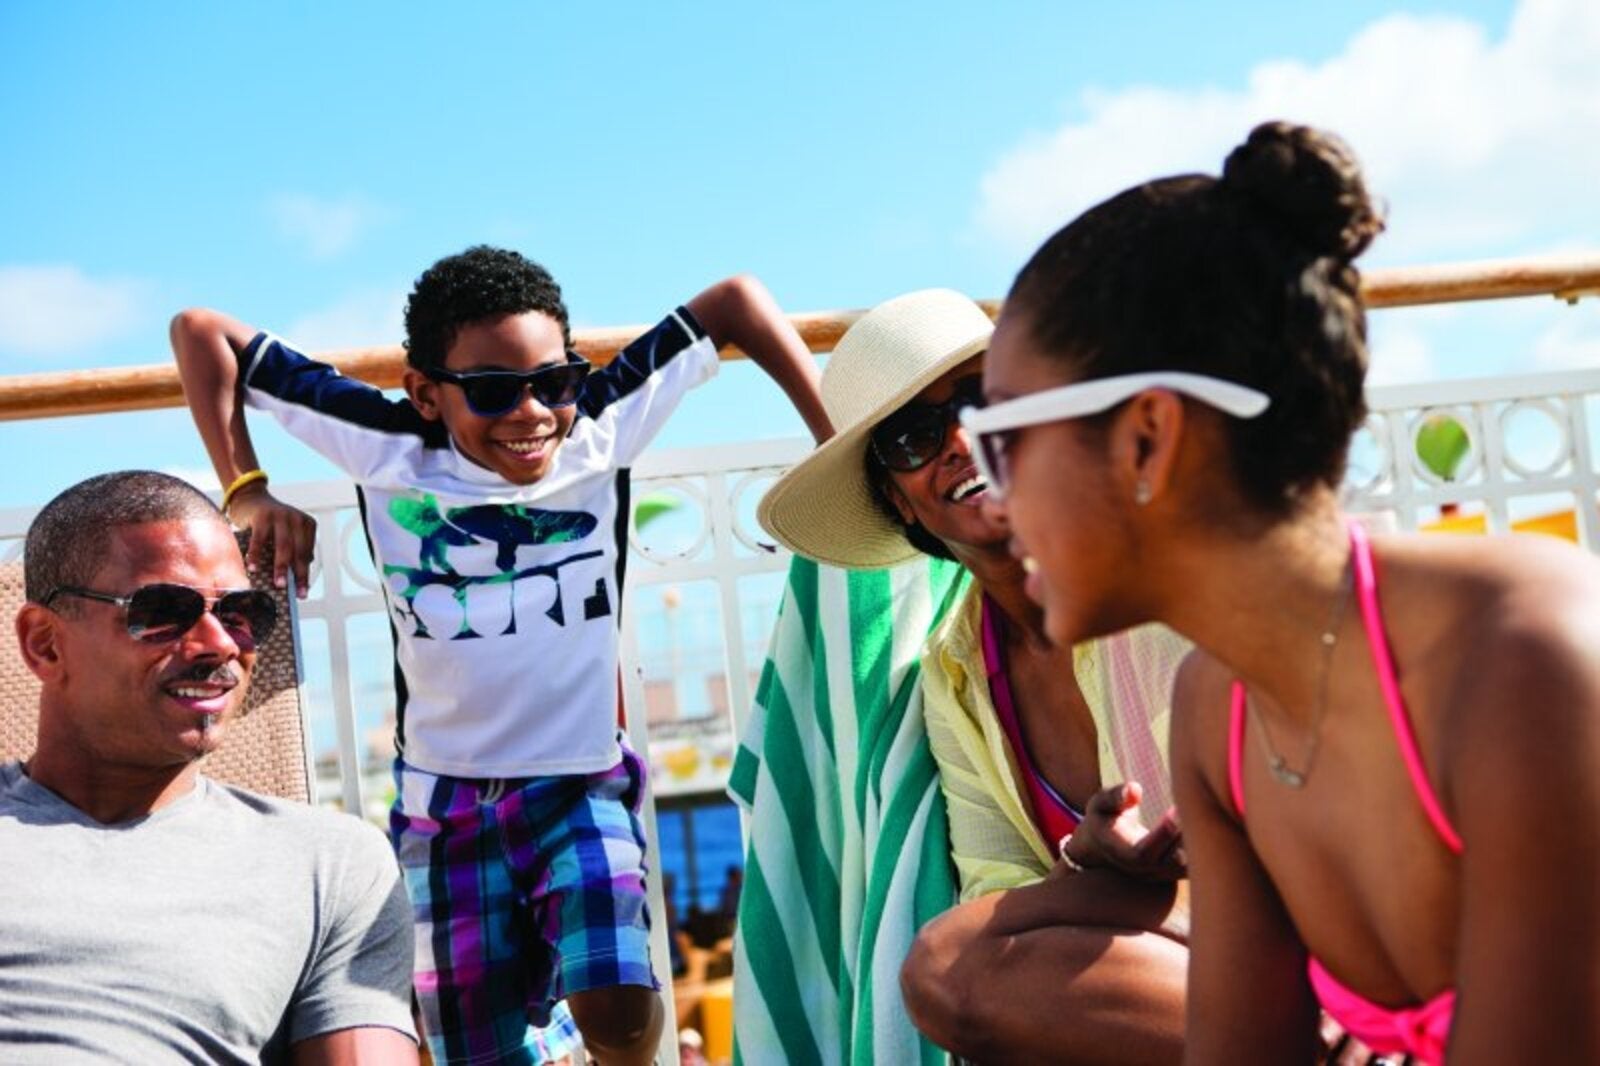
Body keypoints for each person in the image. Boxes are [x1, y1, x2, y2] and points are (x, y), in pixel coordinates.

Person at [963, 121, 1600, 1065]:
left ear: (1146, 437)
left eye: (1002, 440)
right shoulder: (1217, 712)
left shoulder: (1524, 655)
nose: (995, 501)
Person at [170, 246, 832, 1066]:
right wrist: (246, 487)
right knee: (474, 1052)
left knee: (622, 1010)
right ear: (425, 393)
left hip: (581, 780)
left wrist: (835, 443)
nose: (531, 413)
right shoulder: (385, 443)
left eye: (552, 382)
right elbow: (202, 331)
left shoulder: (600, 424)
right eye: (491, 391)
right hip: (445, 806)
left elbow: (736, 299)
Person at [758, 289, 1192, 1063]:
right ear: (901, 503)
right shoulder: (954, 672)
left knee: (952, 964)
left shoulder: (1160, 576)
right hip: (1162, 977)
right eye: (915, 438)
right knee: (949, 965)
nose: (960, 440)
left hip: (1289, 922)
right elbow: (997, 890)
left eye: (981, 399)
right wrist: (1085, 861)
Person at [1, 471, 417, 1065]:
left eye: (243, 613)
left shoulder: (328, 867)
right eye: (163, 611)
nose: (219, 644)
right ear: (45, 644)